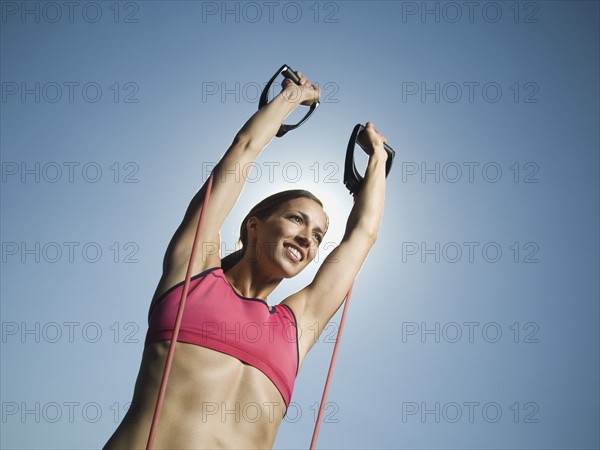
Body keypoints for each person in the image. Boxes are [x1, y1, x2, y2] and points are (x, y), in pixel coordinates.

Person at [102, 70, 389, 449]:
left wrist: (378, 162)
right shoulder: (193, 272)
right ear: (254, 226)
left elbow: (362, 235)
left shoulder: (296, 326)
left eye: (319, 235)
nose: (308, 238)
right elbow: (244, 149)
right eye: (296, 219)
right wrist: (291, 97)